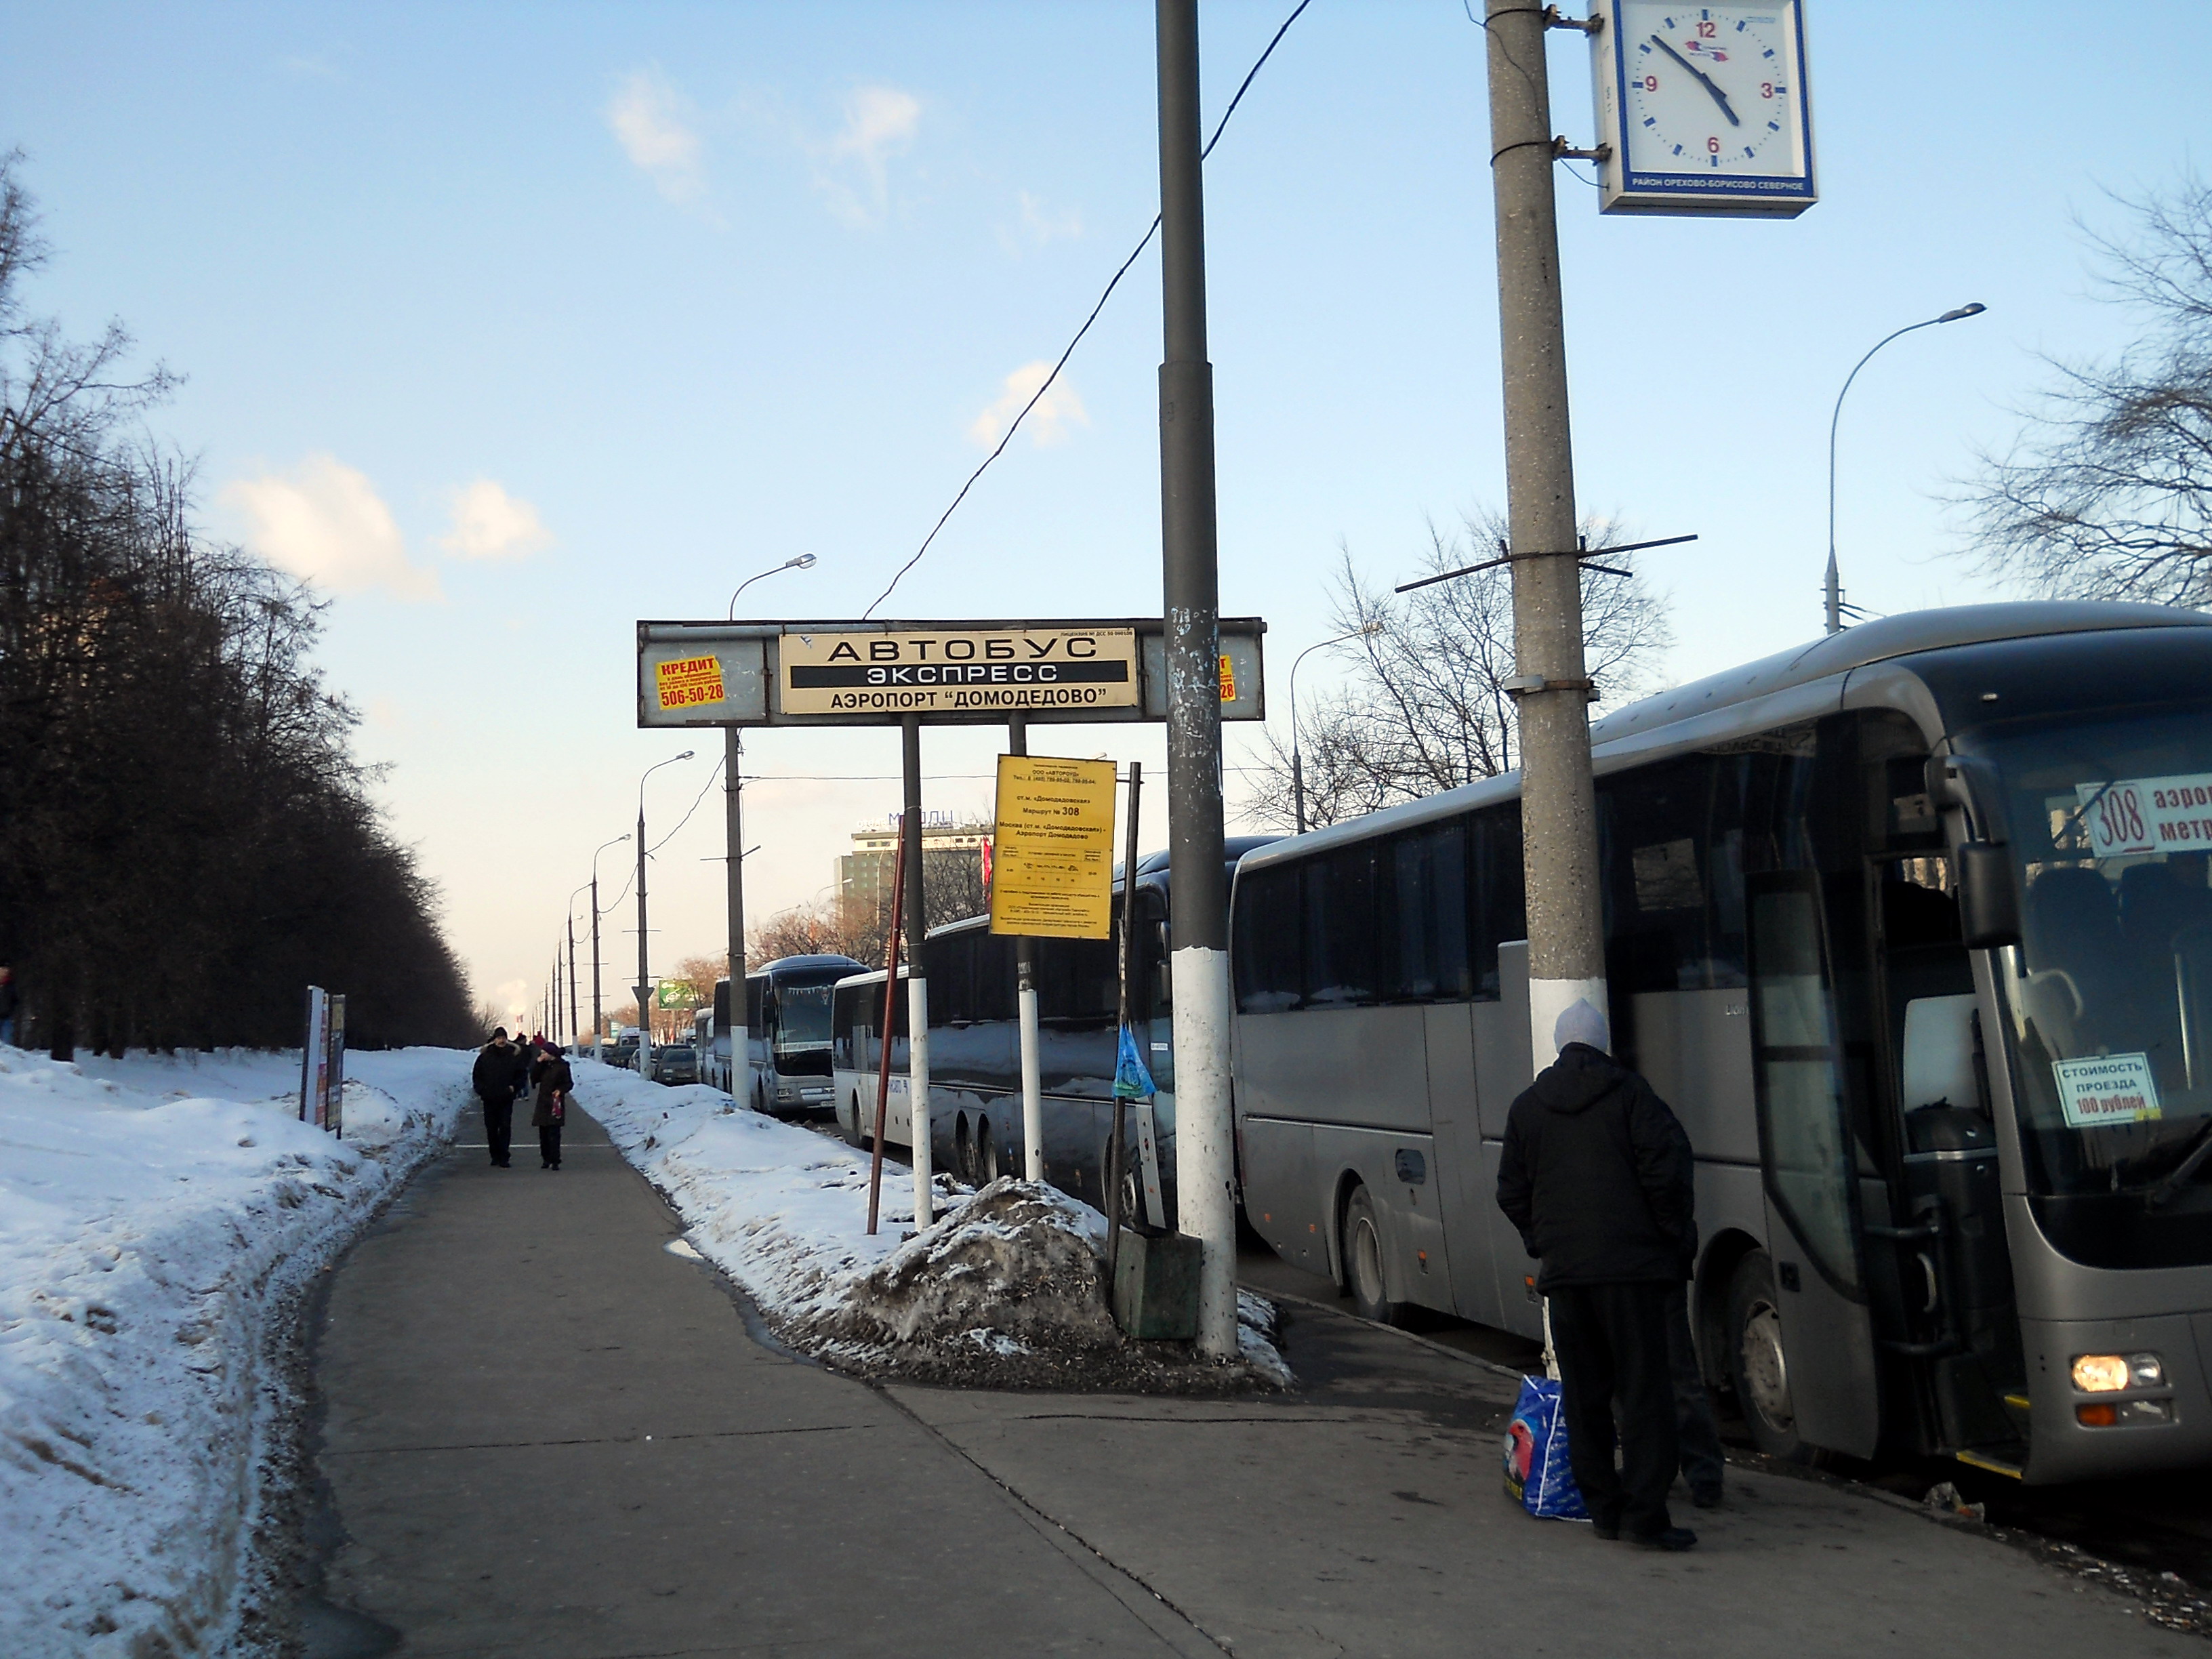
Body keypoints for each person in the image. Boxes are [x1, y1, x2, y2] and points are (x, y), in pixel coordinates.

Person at [1496, 1000, 1700, 1552]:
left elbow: (1510, 1191)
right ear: (1604, 1043)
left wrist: (1545, 1241)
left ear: (1561, 1045)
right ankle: (1646, 1517)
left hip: (1566, 1278)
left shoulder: (1527, 1109)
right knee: (1643, 1396)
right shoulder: (1634, 1097)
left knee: (1586, 1396)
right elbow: (1668, 1170)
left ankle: (1604, 1510)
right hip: (1633, 1275)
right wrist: (1668, 1237)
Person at [470, 1027, 520, 1168]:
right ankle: (495, 1155)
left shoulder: (513, 1056)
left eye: (503, 1037)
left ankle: (504, 1156)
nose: (501, 1040)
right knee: (491, 1128)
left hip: (506, 1098)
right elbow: (477, 1076)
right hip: (489, 1098)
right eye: (499, 1038)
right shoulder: (485, 1057)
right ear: (494, 1039)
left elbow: (521, 1074)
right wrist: (481, 1090)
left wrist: (514, 1087)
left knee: (505, 1127)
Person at [533, 1046, 575, 1170]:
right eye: (542, 1053)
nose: (543, 1055)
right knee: (543, 1132)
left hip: (556, 1102)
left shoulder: (562, 1066)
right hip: (543, 1102)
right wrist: (538, 1064)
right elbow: (534, 1079)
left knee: (554, 1132)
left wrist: (560, 1090)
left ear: (551, 1053)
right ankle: (546, 1159)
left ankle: (555, 1159)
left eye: (544, 1053)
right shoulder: (543, 1066)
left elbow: (569, 1083)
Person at [0, 964, 18, 1048]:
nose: (5, 972)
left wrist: (12, 1011)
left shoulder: (11, 985)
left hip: (7, 1016)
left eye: (7, 970)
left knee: (7, 1044)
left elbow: (15, 1000)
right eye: (3, 969)